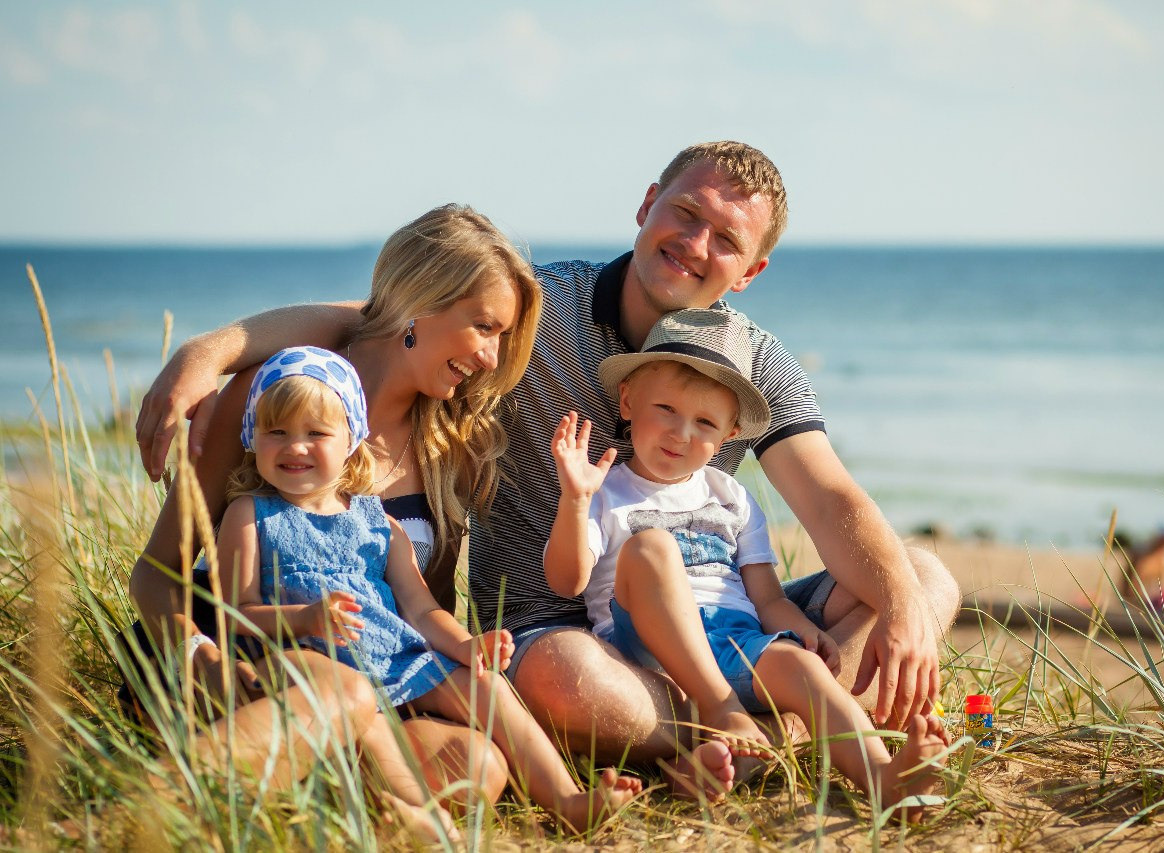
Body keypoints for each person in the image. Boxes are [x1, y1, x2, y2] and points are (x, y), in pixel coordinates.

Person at [133, 142, 962, 796]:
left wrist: (906, 616)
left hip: (717, 631)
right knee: (558, 679)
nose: (695, 243)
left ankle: (750, 727)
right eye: (684, 212)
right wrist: (214, 351)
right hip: (561, 639)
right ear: (646, 206)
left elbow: (832, 496)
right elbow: (395, 317)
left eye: (726, 240)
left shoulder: (753, 366)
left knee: (921, 577)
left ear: (752, 270)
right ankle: (776, 727)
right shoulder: (536, 317)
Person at [126, 204, 547, 820]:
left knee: (473, 765)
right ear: (419, 304)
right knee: (339, 693)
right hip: (229, 661)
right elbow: (155, 575)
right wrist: (201, 658)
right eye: (484, 326)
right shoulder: (273, 401)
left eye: (502, 336)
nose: (491, 356)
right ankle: (142, 813)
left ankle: (311, 805)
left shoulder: (449, 441)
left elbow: (416, 610)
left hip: (364, 688)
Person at [545, 309, 949, 813]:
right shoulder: (604, 491)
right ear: (628, 400)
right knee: (651, 548)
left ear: (732, 433)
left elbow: (765, 597)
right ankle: (724, 713)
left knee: (805, 670)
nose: (681, 433)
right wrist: (574, 501)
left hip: (736, 636)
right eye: (665, 409)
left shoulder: (731, 498)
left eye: (705, 422)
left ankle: (880, 776)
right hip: (648, 645)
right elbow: (566, 580)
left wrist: (804, 631)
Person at [220, 346, 641, 831]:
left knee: (486, 686)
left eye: (316, 433)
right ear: (254, 438)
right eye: (277, 433)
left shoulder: (375, 520)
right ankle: (415, 813)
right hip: (312, 665)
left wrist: (467, 645)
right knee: (364, 722)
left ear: (352, 440)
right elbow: (236, 612)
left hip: (398, 658)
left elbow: (419, 611)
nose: (295, 447)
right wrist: (304, 618)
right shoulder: (250, 514)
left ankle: (567, 800)